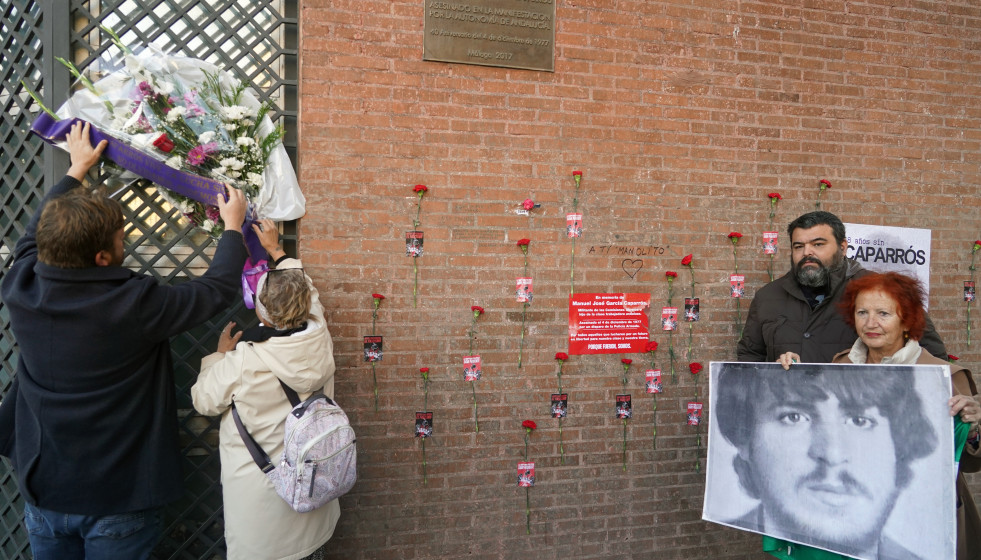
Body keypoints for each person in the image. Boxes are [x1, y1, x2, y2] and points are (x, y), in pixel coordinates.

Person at [0, 121, 249, 559]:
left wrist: (76, 170)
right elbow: (215, 292)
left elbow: (30, 235)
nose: (125, 243)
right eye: (120, 240)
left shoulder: (21, 285)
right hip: (118, 497)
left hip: (46, 491)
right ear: (102, 258)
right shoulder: (133, 305)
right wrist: (233, 227)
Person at [779, 271, 980, 560]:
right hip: (850, 515)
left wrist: (973, 430)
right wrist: (783, 376)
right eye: (862, 312)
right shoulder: (840, 365)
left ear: (907, 320)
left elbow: (970, 460)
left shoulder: (943, 377)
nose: (870, 323)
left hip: (921, 521)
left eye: (883, 313)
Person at [191, 218, 339, 560]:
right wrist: (276, 250)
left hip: (263, 521)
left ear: (262, 312)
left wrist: (218, 356)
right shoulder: (319, 334)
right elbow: (309, 295)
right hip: (314, 505)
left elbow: (203, 400)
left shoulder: (243, 362)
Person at [715, 362, 941, 559]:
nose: (832, 454)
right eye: (794, 417)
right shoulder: (728, 547)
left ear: (899, 446)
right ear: (744, 437)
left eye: (859, 421)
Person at [737, 210, 947, 363]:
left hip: (855, 413)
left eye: (818, 244)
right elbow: (749, 358)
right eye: (798, 246)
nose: (807, 253)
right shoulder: (768, 297)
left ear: (843, 247)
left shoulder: (880, 290)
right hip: (790, 413)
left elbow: (931, 355)